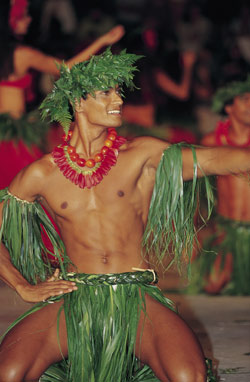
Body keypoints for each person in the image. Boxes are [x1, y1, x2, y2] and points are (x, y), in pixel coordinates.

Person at [1, 48, 250, 382]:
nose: (118, 98)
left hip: (135, 298)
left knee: (188, 377)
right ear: (78, 102)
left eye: (118, 90)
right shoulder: (40, 174)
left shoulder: (141, 155)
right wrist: (21, 286)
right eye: (106, 92)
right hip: (74, 297)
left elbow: (213, 160)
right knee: (9, 373)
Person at [0, 0, 125, 188]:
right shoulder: (21, 54)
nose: (29, 19)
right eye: (23, 16)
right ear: (11, 21)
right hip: (13, 142)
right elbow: (66, 68)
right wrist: (102, 41)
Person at [190, 76, 250, 295]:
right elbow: (196, 189)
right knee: (212, 284)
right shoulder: (211, 142)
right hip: (227, 230)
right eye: (244, 99)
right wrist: (195, 229)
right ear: (228, 107)